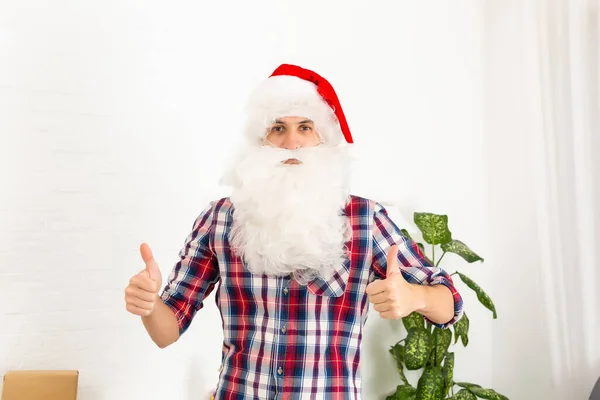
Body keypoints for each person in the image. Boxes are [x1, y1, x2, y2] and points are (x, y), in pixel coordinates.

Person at [124, 64, 464, 399]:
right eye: (277, 128)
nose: (292, 143)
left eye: (305, 127)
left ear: (324, 140)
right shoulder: (220, 219)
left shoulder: (365, 217)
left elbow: (449, 302)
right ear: (260, 141)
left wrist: (414, 296)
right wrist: (151, 304)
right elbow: (166, 331)